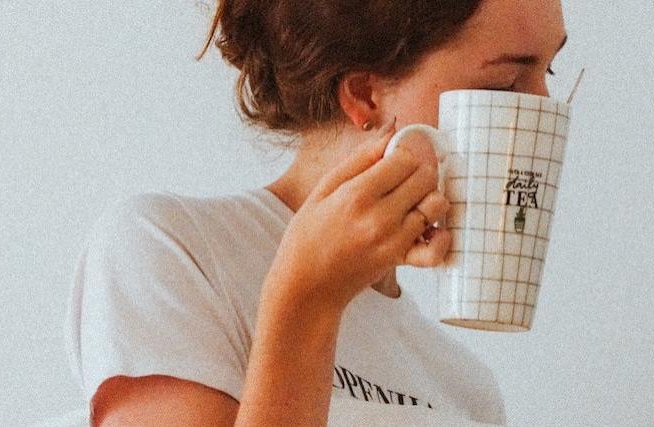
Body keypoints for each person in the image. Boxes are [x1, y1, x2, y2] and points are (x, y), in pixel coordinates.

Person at [65, 0, 568, 425]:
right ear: (365, 95)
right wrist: (307, 299)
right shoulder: (171, 252)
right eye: (505, 86)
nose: (547, 118)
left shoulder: (467, 386)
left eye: (547, 73)